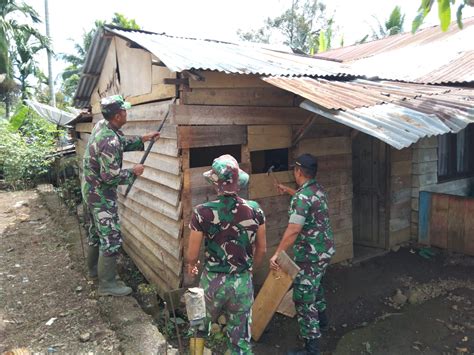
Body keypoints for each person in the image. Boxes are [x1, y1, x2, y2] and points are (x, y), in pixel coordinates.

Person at [186, 154, 267, 354]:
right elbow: (262, 249)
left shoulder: (202, 212)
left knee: (198, 327)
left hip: (212, 281)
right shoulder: (255, 210)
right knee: (240, 339)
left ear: (215, 184)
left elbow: (192, 253)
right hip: (242, 283)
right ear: (238, 184)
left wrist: (192, 264)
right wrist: (249, 270)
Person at [82, 95, 160, 297]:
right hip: (100, 195)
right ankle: (107, 284)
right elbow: (110, 177)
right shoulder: (109, 140)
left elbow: (120, 141)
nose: (127, 113)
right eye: (124, 110)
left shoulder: (104, 127)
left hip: (90, 191)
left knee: (95, 233)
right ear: (118, 115)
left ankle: (93, 271)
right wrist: (133, 171)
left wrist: (143, 138)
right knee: (111, 238)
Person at [270, 153, 335, 355]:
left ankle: (311, 349)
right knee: (316, 286)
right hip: (325, 251)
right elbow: (308, 201)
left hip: (310, 256)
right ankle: (323, 322)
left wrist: (277, 254)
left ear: (298, 171)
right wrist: (290, 191)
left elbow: (294, 230)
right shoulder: (317, 190)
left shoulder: (302, 197)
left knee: (303, 299)